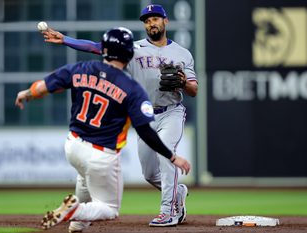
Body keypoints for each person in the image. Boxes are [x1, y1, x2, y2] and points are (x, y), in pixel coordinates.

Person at [15, 27, 191, 232]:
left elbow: (46, 85)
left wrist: (26, 94)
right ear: (128, 53)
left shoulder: (80, 68)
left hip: (73, 146)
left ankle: (77, 225)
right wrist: (172, 157)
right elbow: (145, 131)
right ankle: (74, 212)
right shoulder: (131, 89)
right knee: (109, 208)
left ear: (104, 50)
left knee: (84, 177)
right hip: (101, 154)